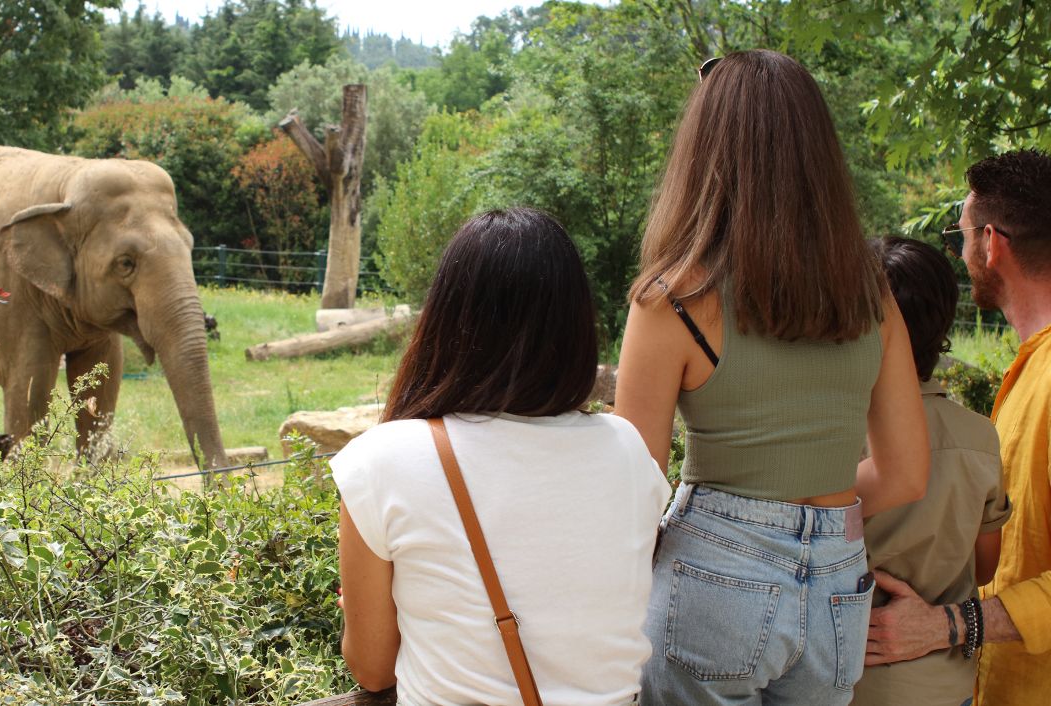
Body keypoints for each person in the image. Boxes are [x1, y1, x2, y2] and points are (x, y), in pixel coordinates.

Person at [614, 49, 929, 706]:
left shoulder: (672, 300)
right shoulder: (872, 296)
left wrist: (750, 526)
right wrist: (804, 526)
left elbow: (631, 496)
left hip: (714, 574)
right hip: (841, 586)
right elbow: (904, 474)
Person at [334, 208, 670, 705]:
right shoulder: (627, 450)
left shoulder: (383, 461)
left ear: (447, 321)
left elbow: (374, 669)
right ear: (576, 326)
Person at [862, 149, 1051, 706]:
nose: (959, 249)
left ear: (991, 243)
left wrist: (949, 624)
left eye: (958, 234)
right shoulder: (1023, 374)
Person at [849, 237, 1010, 706]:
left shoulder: (831, 435)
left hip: (846, 680)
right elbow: (985, 568)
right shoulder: (980, 438)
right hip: (943, 685)